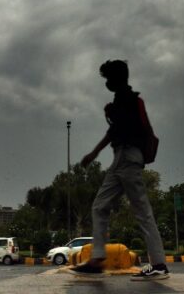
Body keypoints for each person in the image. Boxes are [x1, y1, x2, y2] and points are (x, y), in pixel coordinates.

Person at [69, 60, 169, 281]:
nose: (106, 83)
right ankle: (97, 259)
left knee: (142, 210)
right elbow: (114, 130)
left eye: (108, 79)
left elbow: (128, 127)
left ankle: (159, 265)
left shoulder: (129, 100)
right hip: (120, 159)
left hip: (129, 157)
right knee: (99, 206)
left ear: (117, 79)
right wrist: (94, 153)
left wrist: (112, 113)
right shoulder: (121, 101)